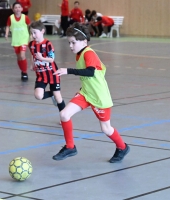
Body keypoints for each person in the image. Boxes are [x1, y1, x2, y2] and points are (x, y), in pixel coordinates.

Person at [52, 22, 130, 163]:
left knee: (106, 129)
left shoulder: (89, 53)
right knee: (64, 114)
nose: (70, 46)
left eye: (73, 43)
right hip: (86, 93)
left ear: (84, 41)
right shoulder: (79, 53)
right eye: (69, 43)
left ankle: (122, 147)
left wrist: (67, 70)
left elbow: (90, 71)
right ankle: (70, 147)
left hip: (99, 97)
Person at [28, 21, 66, 115]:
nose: (33, 35)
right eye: (31, 33)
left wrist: (42, 58)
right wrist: (32, 64)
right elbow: (32, 54)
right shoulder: (31, 44)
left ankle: (65, 115)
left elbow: (52, 59)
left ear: (42, 31)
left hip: (52, 74)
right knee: (38, 95)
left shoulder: (48, 44)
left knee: (58, 97)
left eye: (35, 32)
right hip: (41, 74)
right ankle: (52, 94)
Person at [5, 2, 31, 81]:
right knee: (19, 57)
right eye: (15, 7)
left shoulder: (25, 17)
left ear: (22, 9)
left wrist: (32, 34)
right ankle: (22, 70)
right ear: (13, 9)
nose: (17, 9)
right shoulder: (11, 18)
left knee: (22, 55)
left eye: (19, 7)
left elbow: (30, 26)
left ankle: (25, 72)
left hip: (24, 39)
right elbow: (8, 26)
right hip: (15, 40)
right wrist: (6, 34)